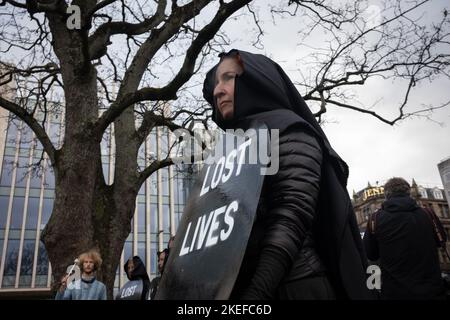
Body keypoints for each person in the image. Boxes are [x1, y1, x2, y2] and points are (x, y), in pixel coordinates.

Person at [202, 49, 371, 299]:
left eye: (228, 78)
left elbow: (291, 216)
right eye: (216, 83)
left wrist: (256, 293)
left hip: (295, 287)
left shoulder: (288, 131)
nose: (218, 90)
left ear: (256, 82)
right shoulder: (229, 152)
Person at [363, 177, 446, 300]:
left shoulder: (375, 219)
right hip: (432, 290)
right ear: (408, 193)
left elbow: (370, 254)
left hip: (395, 292)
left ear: (387, 195)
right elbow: (441, 241)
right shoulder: (428, 213)